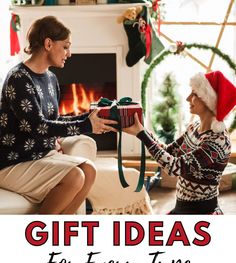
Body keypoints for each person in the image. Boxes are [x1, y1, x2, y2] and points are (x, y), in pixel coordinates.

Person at [0, 16, 118, 214]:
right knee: (75, 177)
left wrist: (89, 118)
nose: (69, 54)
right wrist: (86, 126)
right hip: (13, 162)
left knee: (88, 170)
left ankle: (60, 230)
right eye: (65, 46)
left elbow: (53, 120)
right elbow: (38, 127)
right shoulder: (19, 78)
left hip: (39, 156)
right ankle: (36, 233)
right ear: (48, 43)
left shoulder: (50, 78)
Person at [124, 70, 236, 214]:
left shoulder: (218, 141)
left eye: (194, 94)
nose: (188, 98)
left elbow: (174, 167)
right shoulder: (194, 127)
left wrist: (141, 134)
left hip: (202, 214)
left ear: (209, 100)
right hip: (180, 209)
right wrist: (141, 131)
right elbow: (168, 151)